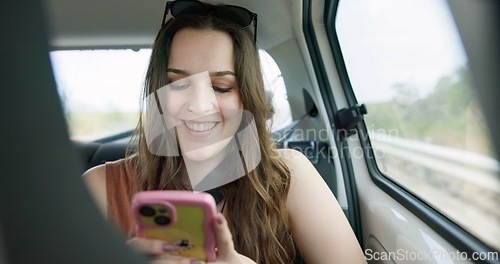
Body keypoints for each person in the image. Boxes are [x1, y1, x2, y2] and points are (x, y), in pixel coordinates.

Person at [83, 1, 366, 263]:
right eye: (178, 84)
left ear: (247, 98)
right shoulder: (99, 188)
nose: (200, 105)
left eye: (221, 87)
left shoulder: (289, 177)